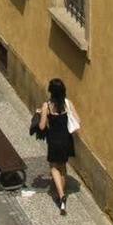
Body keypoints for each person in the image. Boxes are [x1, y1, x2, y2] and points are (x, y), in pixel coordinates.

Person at [37, 75, 78, 214]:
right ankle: (62, 194)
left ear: (51, 91)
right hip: (66, 139)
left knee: (54, 167)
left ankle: (61, 196)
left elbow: (42, 127)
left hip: (54, 140)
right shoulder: (68, 104)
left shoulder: (47, 105)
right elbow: (77, 120)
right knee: (63, 167)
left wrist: (40, 114)